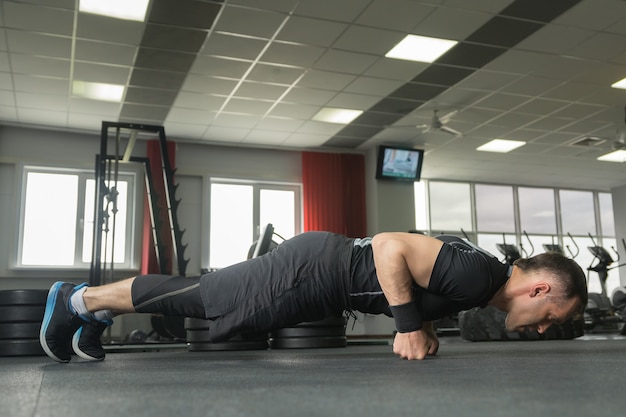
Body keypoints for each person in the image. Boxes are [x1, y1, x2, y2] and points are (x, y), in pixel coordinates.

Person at [39, 231, 588, 363]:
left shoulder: (483, 280)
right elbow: (391, 246)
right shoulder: (478, 276)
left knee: (204, 301)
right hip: (314, 270)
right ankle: (76, 300)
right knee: (203, 298)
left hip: (320, 276)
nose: (543, 328)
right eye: (550, 317)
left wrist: (421, 323)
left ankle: (96, 311)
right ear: (539, 289)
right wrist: (405, 325)